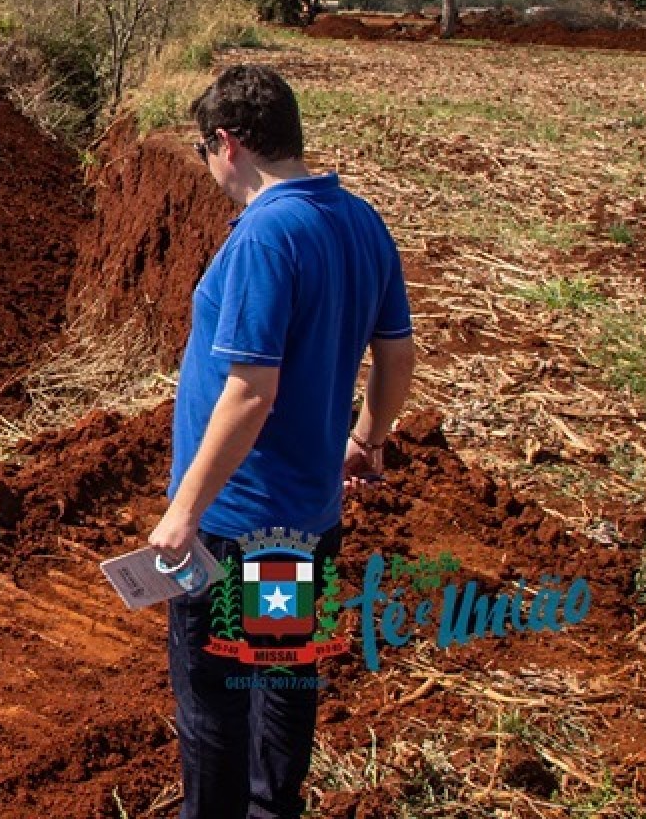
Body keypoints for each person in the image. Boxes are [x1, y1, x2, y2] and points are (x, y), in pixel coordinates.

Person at [147, 64, 414, 819]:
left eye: (205, 152)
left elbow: (249, 391)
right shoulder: (358, 219)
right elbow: (397, 351)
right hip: (303, 518)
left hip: (234, 524)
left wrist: (184, 512)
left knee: (212, 706)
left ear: (227, 143)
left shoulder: (266, 235)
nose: (209, 169)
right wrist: (368, 436)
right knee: (281, 683)